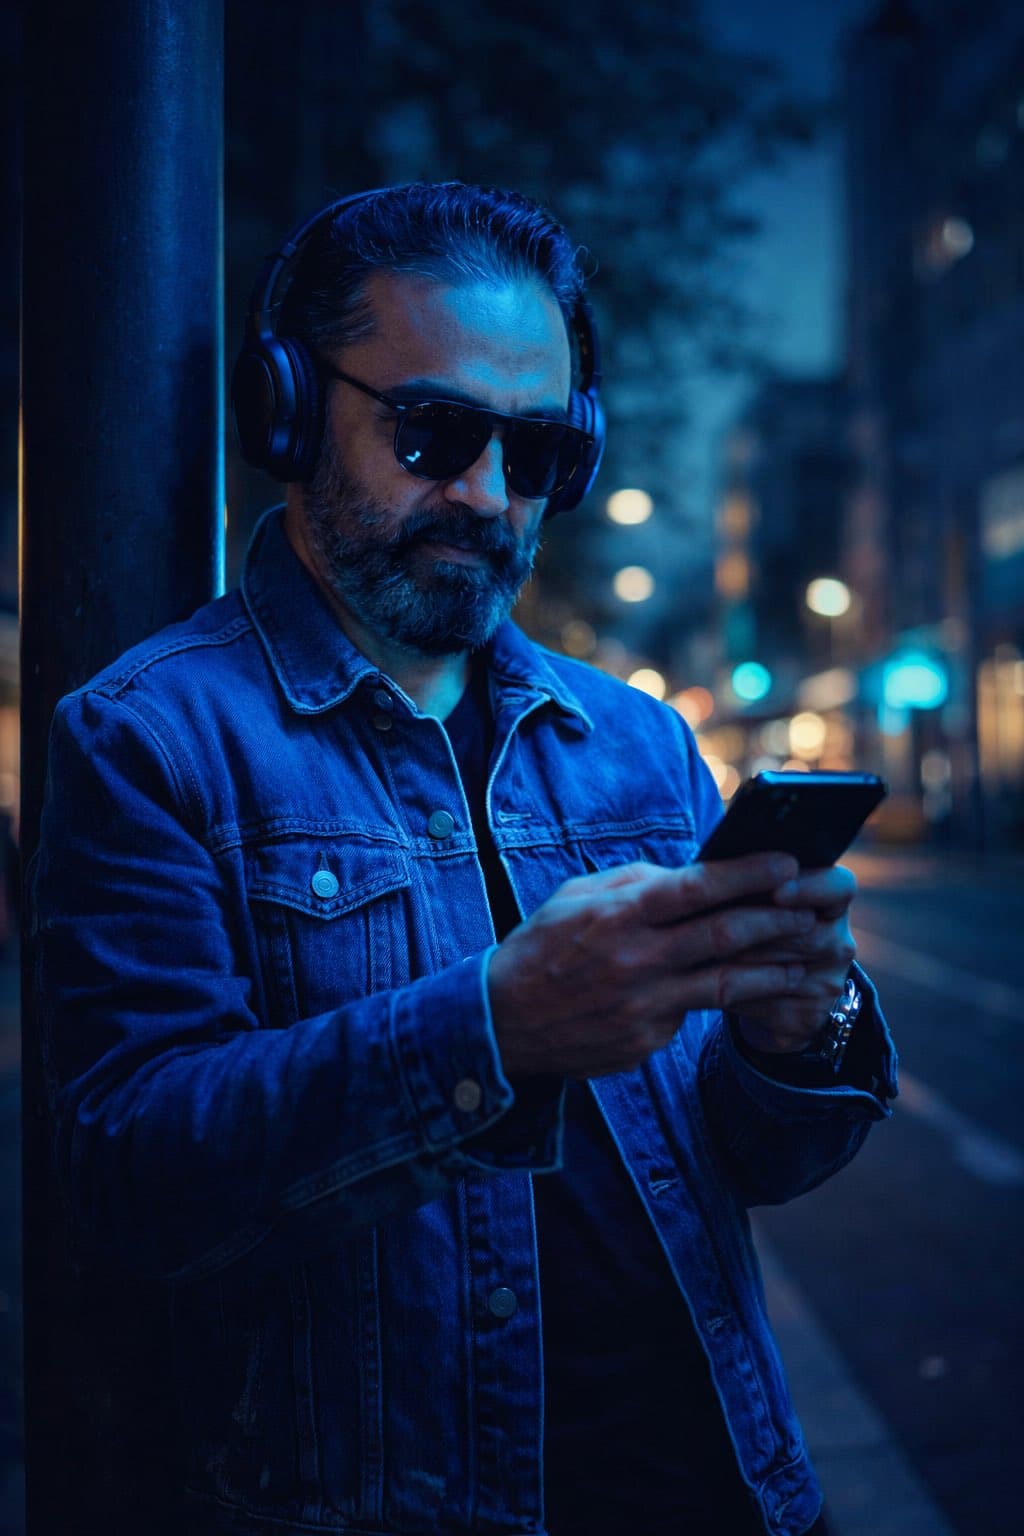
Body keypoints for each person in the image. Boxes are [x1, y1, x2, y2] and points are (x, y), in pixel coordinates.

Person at [29, 181, 898, 1536]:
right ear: (291, 410)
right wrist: (495, 1026)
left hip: (735, 1493)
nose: (487, 497)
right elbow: (132, 1179)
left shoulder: (639, 744)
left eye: (539, 452)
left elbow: (760, 1161)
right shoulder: (151, 739)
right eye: (433, 433)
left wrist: (799, 1034)